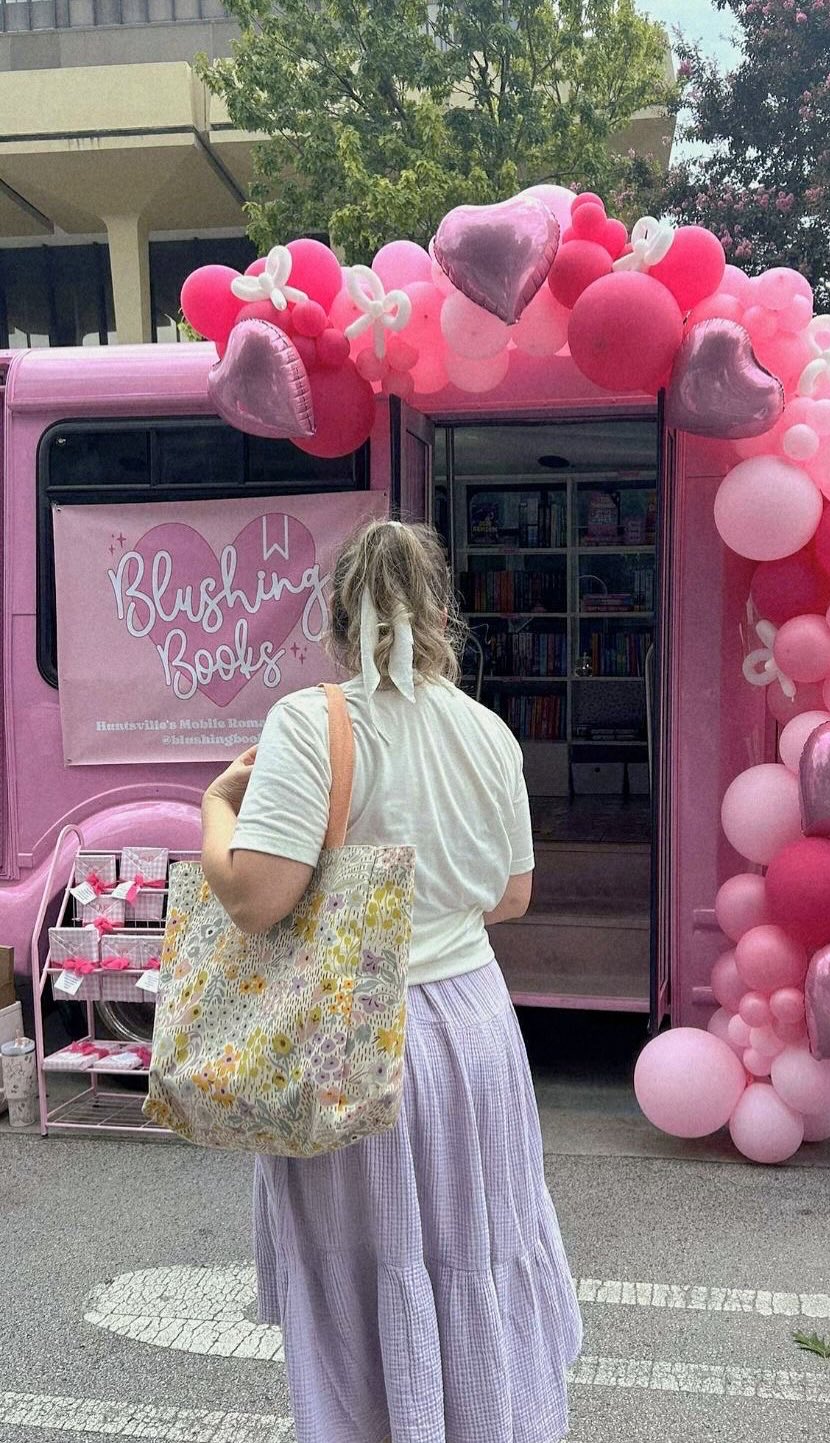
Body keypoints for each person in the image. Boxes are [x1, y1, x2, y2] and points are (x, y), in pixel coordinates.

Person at [199, 518, 583, 1443]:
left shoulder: (312, 721)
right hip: (479, 1027)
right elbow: (513, 895)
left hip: (359, 1033)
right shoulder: (489, 730)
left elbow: (255, 899)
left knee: (369, 1267)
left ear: (336, 622)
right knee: (473, 1254)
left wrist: (215, 807)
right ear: (442, 615)